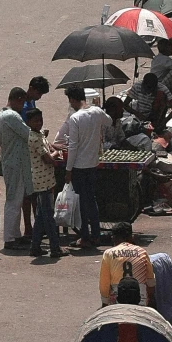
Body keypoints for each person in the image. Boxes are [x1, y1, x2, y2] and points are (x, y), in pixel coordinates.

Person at [60, 85, 110, 251]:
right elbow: (109, 121)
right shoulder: (96, 112)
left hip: (79, 166)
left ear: (73, 100)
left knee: (82, 202)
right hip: (93, 163)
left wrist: (68, 170)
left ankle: (85, 236)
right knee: (91, 200)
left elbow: (73, 146)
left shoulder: (75, 118)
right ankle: (95, 234)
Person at [0, 86, 32, 249]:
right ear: (18, 100)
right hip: (14, 163)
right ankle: (10, 238)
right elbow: (28, 134)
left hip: (14, 162)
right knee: (13, 201)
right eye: (22, 102)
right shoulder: (11, 116)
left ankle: (15, 235)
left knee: (17, 200)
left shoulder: (4, 115)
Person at [26, 103, 62, 261]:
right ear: (29, 122)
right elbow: (47, 159)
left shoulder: (38, 135)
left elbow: (45, 144)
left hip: (44, 180)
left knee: (41, 215)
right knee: (48, 216)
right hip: (43, 182)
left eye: (40, 120)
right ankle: (55, 248)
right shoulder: (34, 138)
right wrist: (56, 152)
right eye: (35, 121)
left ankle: (35, 247)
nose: (39, 123)